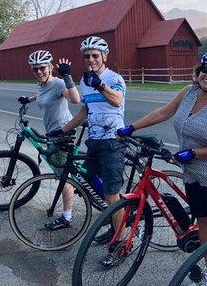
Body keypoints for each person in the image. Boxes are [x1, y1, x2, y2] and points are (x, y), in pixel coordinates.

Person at [117, 51, 207, 285]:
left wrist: (194, 152)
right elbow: (163, 111)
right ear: (199, 70)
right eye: (205, 69)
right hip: (191, 171)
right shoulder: (190, 91)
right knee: (202, 222)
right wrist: (131, 127)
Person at [51, 36, 128, 266]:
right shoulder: (85, 81)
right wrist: (62, 130)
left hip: (112, 142)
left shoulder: (115, 78)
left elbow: (116, 101)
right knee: (88, 179)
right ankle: (117, 220)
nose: (91, 60)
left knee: (112, 196)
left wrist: (100, 85)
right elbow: (84, 110)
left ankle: (121, 244)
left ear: (105, 56)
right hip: (94, 142)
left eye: (95, 55)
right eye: (87, 56)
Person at [17, 49, 80, 230]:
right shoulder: (42, 84)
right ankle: (78, 187)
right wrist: (28, 99)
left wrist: (68, 77)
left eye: (42, 68)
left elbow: (75, 99)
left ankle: (67, 217)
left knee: (63, 176)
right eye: (35, 69)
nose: (38, 72)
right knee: (65, 170)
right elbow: (43, 95)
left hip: (63, 133)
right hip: (53, 133)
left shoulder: (59, 84)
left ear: (51, 67)